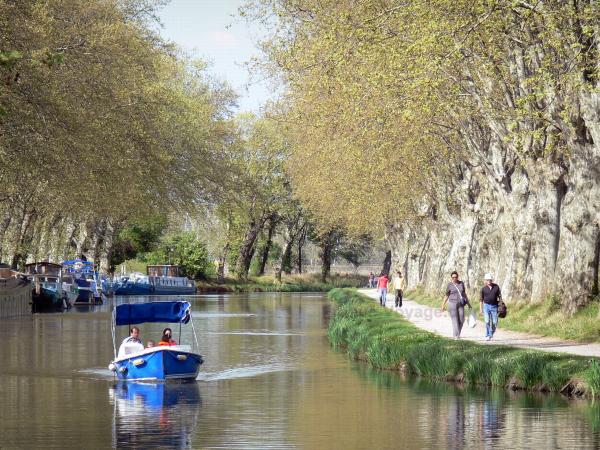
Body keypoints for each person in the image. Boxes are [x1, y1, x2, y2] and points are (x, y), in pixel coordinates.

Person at [441, 271, 469, 339]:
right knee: (455, 319)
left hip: (461, 303)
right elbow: (447, 295)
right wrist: (443, 305)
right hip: (452, 303)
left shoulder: (461, 283)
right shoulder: (449, 285)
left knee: (462, 319)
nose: (454, 278)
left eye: (455, 277)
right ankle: (456, 336)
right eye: (453, 277)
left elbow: (464, 294)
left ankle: (457, 333)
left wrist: (468, 303)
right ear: (451, 278)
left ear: (457, 277)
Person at [480, 273, 502, 341]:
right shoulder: (483, 289)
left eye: (490, 279)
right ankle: (488, 335)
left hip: (494, 306)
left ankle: (490, 334)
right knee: (487, 321)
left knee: (495, 322)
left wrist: (500, 306)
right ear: (485, 280)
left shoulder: (496, 287)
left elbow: (500, 297)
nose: (489, 281)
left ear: (491, 280)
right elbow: (481, 300)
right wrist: (481, 309)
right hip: (486, 306)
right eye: (487, 280)